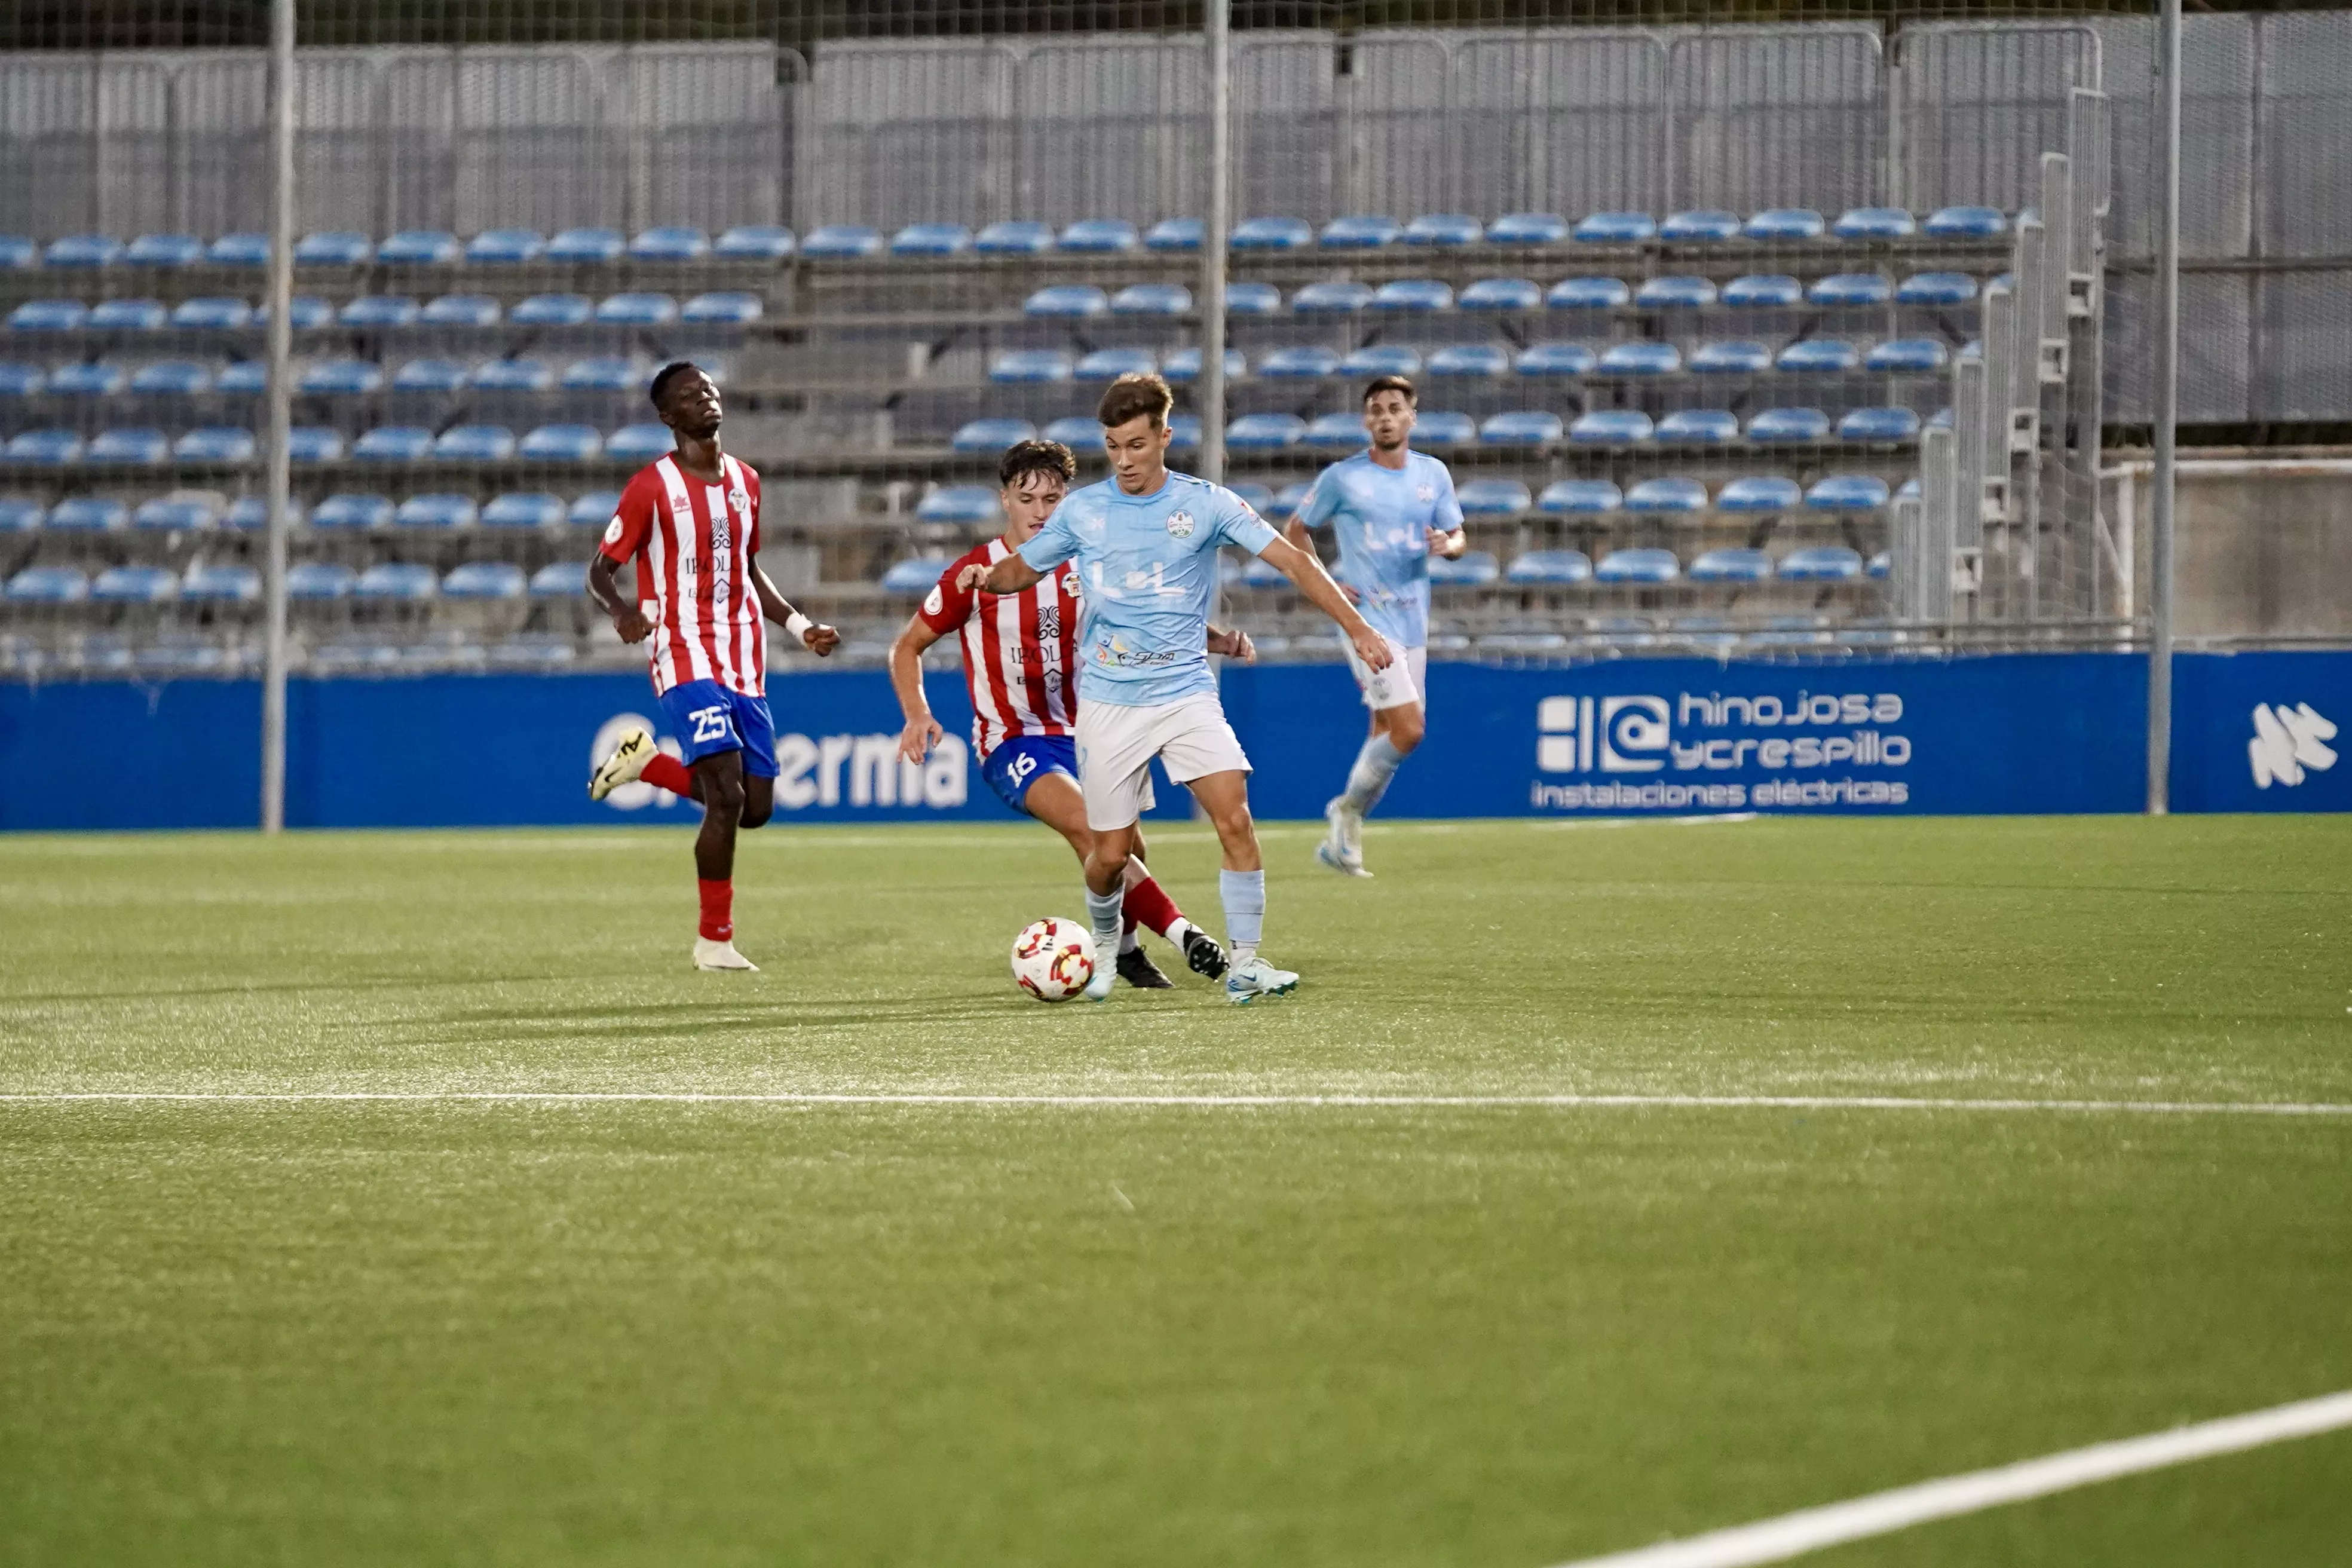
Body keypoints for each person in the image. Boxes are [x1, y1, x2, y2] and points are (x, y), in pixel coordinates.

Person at [961, 372, 1391, 1004]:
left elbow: (1295, 560)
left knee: (1236, 818)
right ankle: (1107, 949)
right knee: (1109, 854)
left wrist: (1357, 628)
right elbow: (1025, 566)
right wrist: (988, 577)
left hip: (1185, 690)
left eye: (1137, 444)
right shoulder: (1085, 510)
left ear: (1165, 436)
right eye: (1113, 447)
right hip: (1109, 701)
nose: (1126, 460)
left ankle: (1245, 964)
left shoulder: (1208, 504)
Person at [887, 438, 1244, 990]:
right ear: (1005, 499)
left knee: (1128, 849)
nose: (1039, 511)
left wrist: (1216, 641)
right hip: (1013, 740)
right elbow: (907, 646)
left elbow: (1143, 618)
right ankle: (1185, 935)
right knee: (1089, 829)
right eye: (1027, 498)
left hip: (1093, 730)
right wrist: (917, 714)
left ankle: (1124, 952)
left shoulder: (1091, 563)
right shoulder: (978, 572)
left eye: (1052, 499)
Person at [584, 360, 841, 972]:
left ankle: (647, 763)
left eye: (707, 386)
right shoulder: (651, 487)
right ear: (669, 418)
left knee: (754, 807)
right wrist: (621, 611)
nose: (704, 396)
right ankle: (714, 940)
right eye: (687, 394)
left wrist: (801, 626)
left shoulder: (747, 482)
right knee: (723, 796)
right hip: (681, 650)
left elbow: (749, 570)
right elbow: (599, 569)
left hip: (743, 654)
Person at [1284, 374, 1467, 878]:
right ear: (1367, 420)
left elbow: (1457, 535)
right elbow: (1296, 529)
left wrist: (1448, 547)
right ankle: (1345, 811)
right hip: (1365, 620)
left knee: (1385, 730)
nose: (1385, 417)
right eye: (1376, 410)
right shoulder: (1343, 478)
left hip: (1414, 620)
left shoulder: (1433, 474)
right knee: (1410, 731)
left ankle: (1343, 841)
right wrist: (1324, 581)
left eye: (1394, 408)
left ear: (1412, 416)